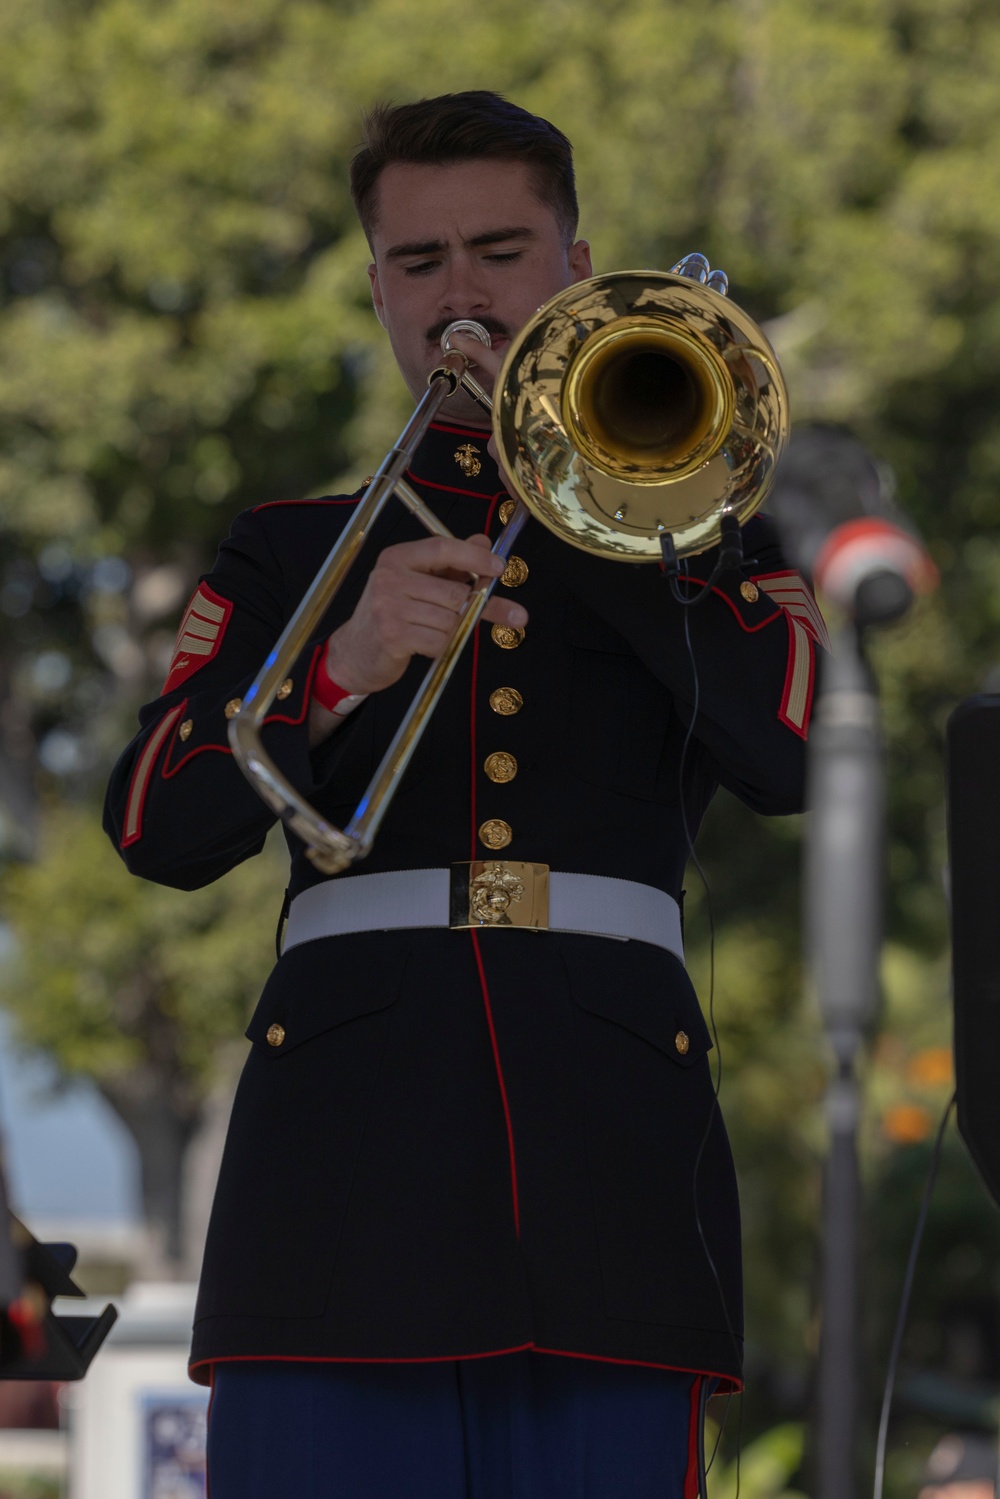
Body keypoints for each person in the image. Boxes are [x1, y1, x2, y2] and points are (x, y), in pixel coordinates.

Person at [105, 91, 824, 1499]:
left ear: (575, 264)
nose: (459, 295)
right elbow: (154, 823)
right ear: (375, 286)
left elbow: (787, 755)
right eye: (417, 262)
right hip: (338, 1178)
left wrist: (587, 496)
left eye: (499, 250)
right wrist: (336, 666)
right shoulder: (287, 550)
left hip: (613, 1170)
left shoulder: (710, 535)